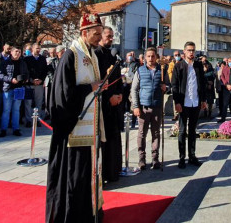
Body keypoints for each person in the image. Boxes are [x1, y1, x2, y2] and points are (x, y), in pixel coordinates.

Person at [46, 13, 107, 222]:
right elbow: (63, 95)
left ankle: (88, 213)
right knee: (75, 177)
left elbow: (92, 86)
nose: (99, 38)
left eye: (100, 34)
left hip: (90, 131)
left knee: (88, 176)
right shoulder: (71, 56)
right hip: (74, 131)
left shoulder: (92, 54)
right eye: (96, 34)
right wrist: (91, 87)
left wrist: (99, 87)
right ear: (84, 32)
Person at [171, 41, 207, 169]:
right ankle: (182, 158)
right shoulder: (179, 66)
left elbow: (202, 84)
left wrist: (203, 100)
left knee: (192, 130)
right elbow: (174, 85)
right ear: (184, 52)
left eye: (193, 50)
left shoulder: (198, 65)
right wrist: (177, 102)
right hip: (183, 102)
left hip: (195, 102)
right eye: (189, 50)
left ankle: (192, 155)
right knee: (182, 131)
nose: (191, 53)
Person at [129, 46, 166, 170]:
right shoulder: (140, 70)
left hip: (157, 107)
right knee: (141, 134)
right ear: (145, 57)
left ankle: (155, 159)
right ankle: (142, 158)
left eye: (153, 56)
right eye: (148, 56)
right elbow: (134, 89)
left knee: (156, 134)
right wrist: (136, 106)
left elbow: (169, 85)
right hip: (143, 108)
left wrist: (166, 88)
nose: (151, 58)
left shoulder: (161, 71)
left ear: (156, 57)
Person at [96, 26, 123, 182]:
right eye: (108, 36)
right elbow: (98, 80)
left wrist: (119, 95)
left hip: (115, 104)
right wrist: (108, 98)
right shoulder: (96, 55)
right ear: (101, 37)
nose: (111, 38)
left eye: (112, 36)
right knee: (104, 141)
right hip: (103, 105)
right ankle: (104, 173)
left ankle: (114, 171)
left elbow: (119, 78)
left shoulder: (114, 56)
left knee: (114, 139)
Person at [0, 46, 29, 137]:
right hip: (8, 88)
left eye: (19, 52)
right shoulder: (5, 62)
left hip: (19, 88)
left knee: (16, 110)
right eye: (16, 51)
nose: (18, 53)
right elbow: (0, 75)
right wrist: (10, 79)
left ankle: (16, 129)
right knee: (6, 110)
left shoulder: (23, 63)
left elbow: (27, 73)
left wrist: (25, 79)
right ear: (11, 52)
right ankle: (3, 129)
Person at [24, 43, 50, 127]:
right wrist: (32, 80)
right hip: (30, 84)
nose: (38, 50)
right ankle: (28, 120)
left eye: (39, 48)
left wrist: (41, 79)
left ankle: (37, 119)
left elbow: (45, 70)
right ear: (32, 49)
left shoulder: (43, 59)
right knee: (28, 103)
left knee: (38, 102)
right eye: (36, 48)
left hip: (39, 84)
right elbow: (26, 71)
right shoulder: (27, 59)